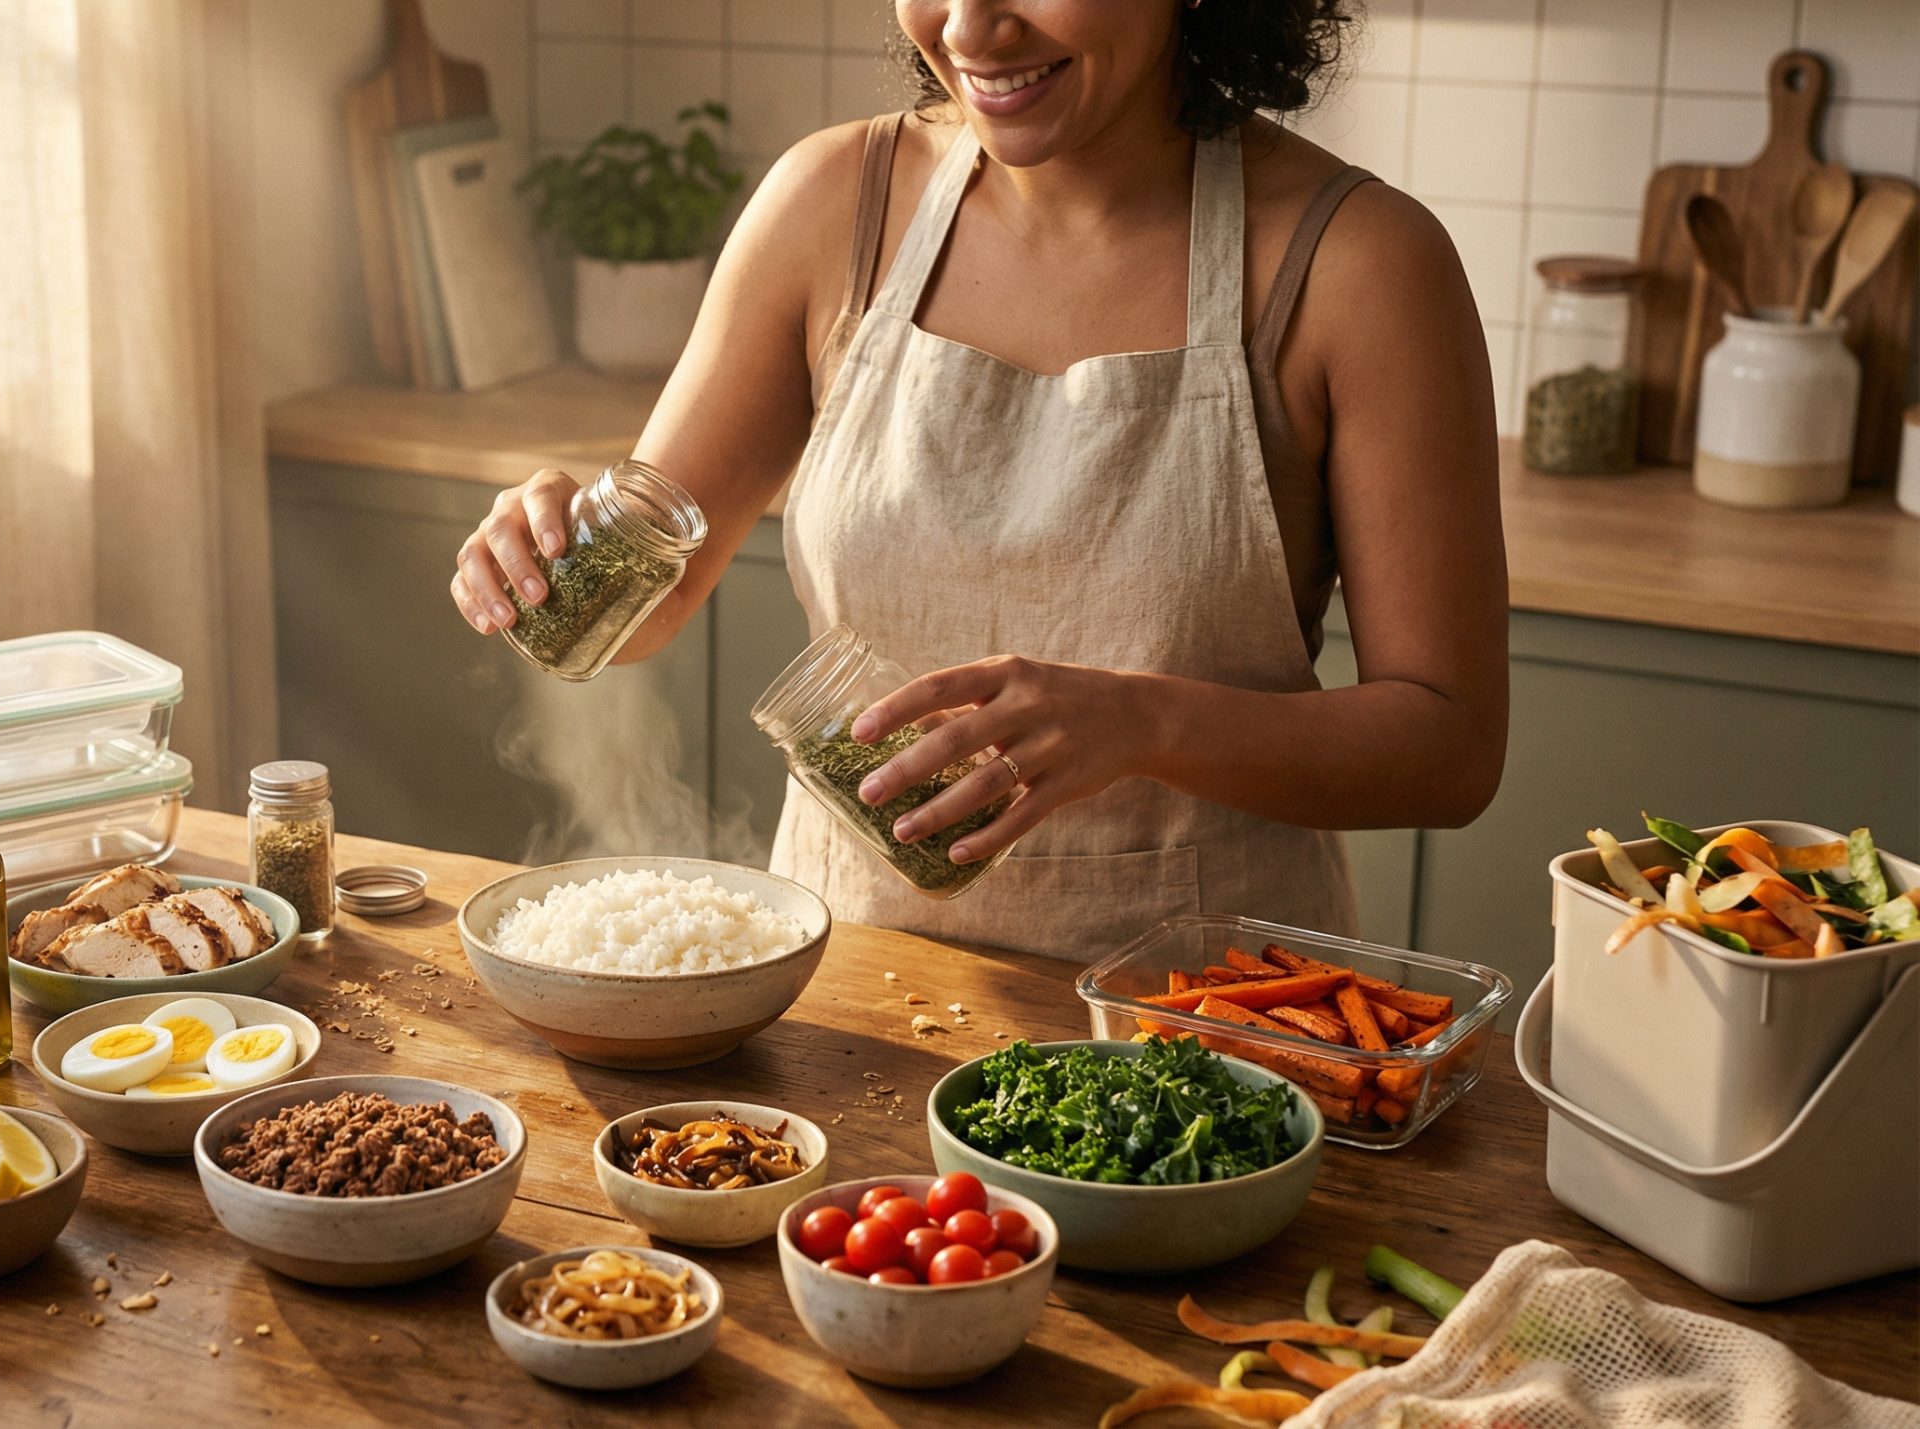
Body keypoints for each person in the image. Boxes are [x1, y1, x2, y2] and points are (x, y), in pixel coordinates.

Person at [451, 0, 1507, 958]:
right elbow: (646, 594)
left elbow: (1447, 748)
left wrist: (1142, 724)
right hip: (851, 989)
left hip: (1213, 1024)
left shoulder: (1357, 259)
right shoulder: (832, 205)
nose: (968, 27)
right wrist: (542, 549)